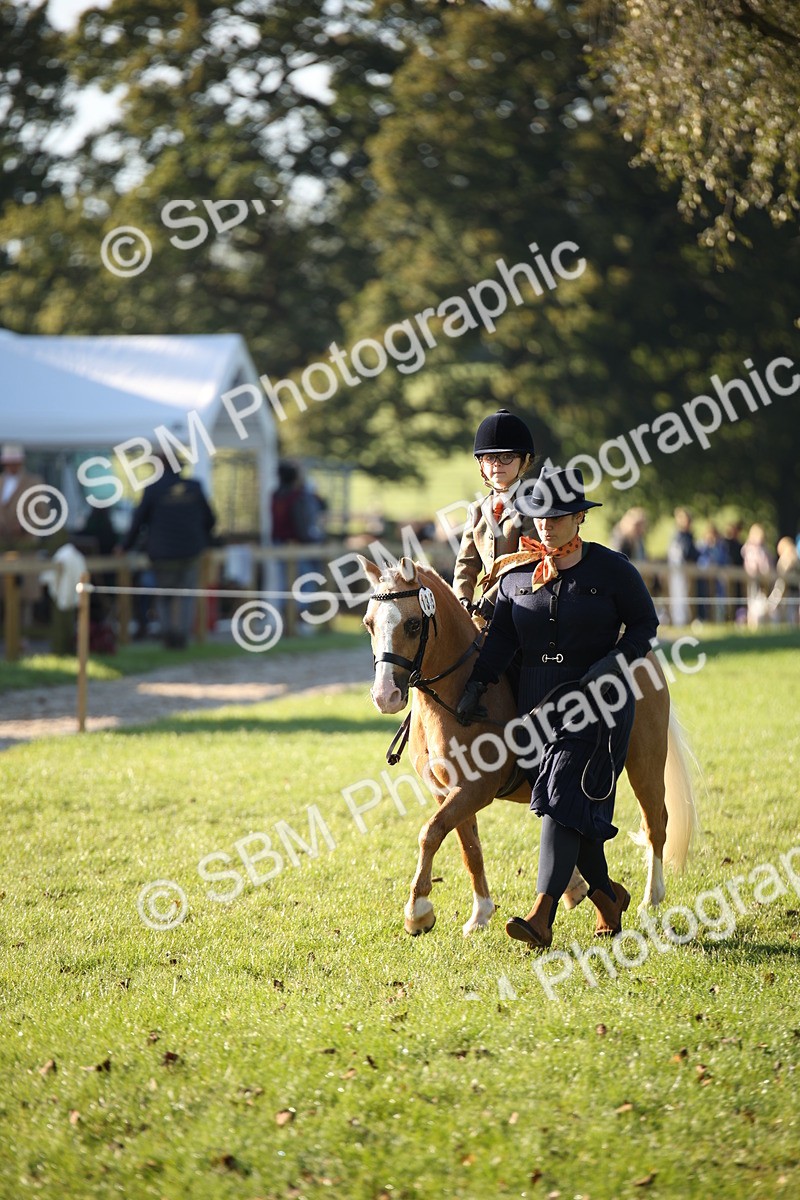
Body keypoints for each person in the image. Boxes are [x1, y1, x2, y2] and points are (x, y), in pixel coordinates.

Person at [455, 467, 658, 949]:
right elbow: (502, 639)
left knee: (559, 800)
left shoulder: (612, 570)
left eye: (557, 517)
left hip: (597, 704)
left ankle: (541, 915)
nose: (545, 525)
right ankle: (608, 898)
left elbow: (645, 629)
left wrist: (613, 663)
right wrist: (477, 684)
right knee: (566, 808)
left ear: (580, 518)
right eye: (539, 516)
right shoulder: (516, 576)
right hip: (535, 710)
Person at [121, 456, 215, 648]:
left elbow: (138, 522)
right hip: (191, 551)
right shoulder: (195, 487)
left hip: (162, 554)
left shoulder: (153, 489)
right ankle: (182, 635)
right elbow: (210, 519)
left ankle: (168, 635)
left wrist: (125, 547)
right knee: (187, 595)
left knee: (164, 596)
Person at [452, 409, 536, 622]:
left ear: (525, 461)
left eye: (507, 457)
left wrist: (491, 597)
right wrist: (462, 598)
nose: (497, 464)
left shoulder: (533, 505)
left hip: (525, 603)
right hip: (485, 610)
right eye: (490, 458)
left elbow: (526, 561)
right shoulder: (477, 510)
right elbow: (467, 564)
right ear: (481, 464)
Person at [667, 507, 698, 625]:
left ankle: (684, 620)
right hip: (678, 570)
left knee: (686, 595)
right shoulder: (678, 537)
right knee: (678, 594)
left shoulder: (688, 536)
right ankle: (678, 621)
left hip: (686, 569)